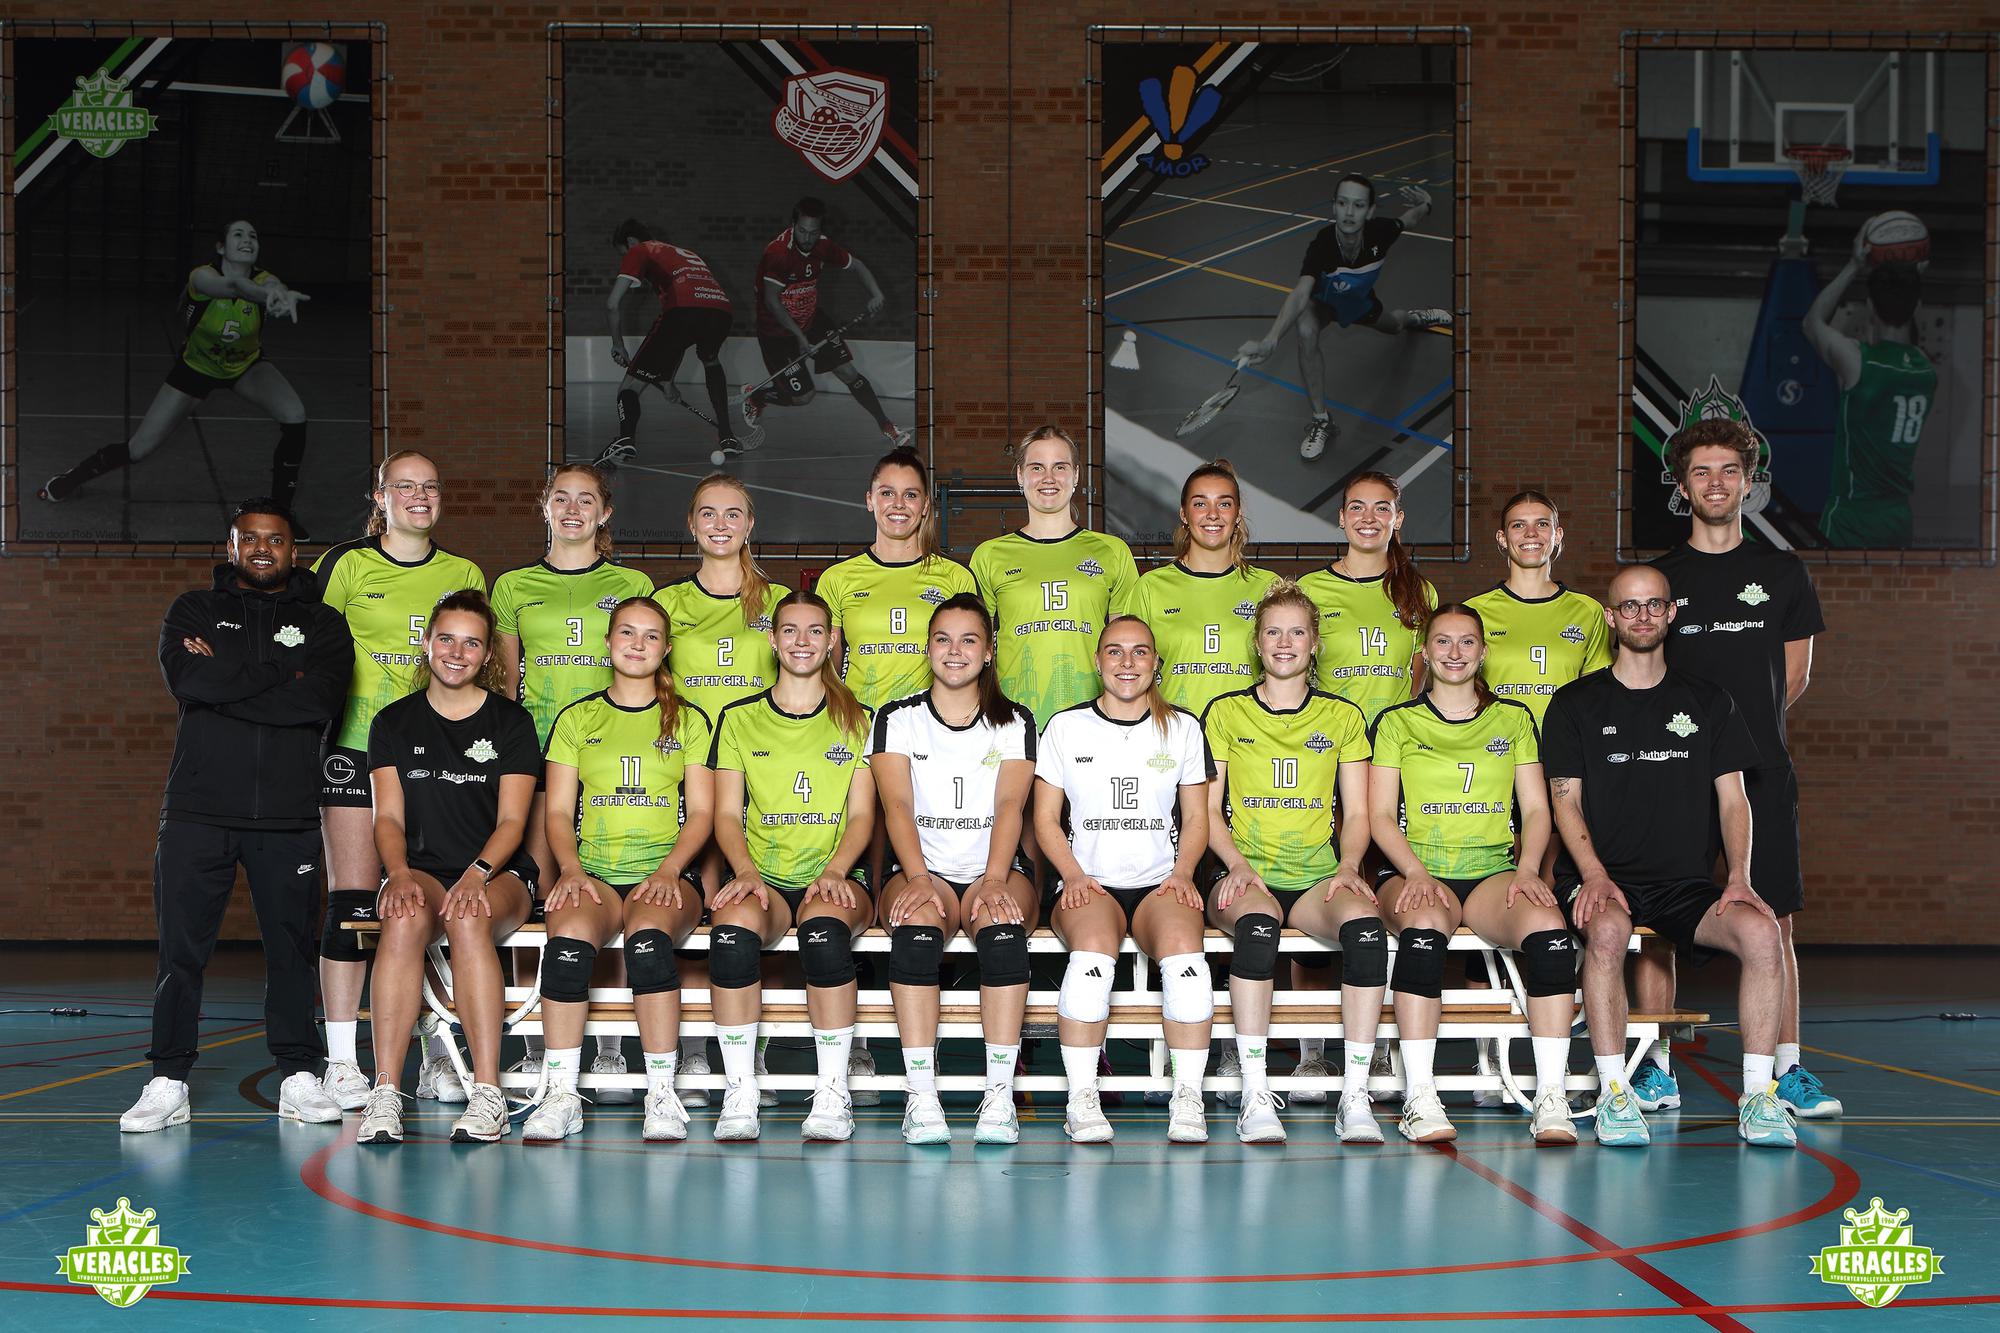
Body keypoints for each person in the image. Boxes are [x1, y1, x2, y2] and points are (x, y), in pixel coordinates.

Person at [120, 499, 354, 1133]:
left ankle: (299, 1074)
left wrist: (228, 678)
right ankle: (168, 1079)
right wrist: (282, 671)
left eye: (274, 539)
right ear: (231, 547)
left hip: (288, 814)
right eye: (248, 538)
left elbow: (316, 703)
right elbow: (191, 684)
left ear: (293, 550)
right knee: (180, 951)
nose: (261, 548)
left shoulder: (324, 623)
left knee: (291, 950)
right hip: (198, 811)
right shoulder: (193, 610)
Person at [1543, 565, 1795, 1148]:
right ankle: (1614, 1095)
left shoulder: (1708, 701)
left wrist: (1739, 878)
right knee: (1608, 932)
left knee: (1762, 935)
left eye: (1654, 604)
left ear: (1671, 612)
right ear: (1611, 617)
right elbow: (1564, 802)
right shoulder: (1575, 703)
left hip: (1684, 884)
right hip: (1604, 877)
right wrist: (1593, 875)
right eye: (1629, 607)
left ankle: (1758, 1097)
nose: (1643, 616)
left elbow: (1733, 801)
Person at [1652, 417, 1836, 1119]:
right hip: (1674, 778)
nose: (1716, 483)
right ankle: (1652, 1068)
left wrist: (1733, 744)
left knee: (1775, 921)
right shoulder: (1661, 579)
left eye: (1729, 470)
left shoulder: (1782, 572)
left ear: (1749, 482)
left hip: (1760, 777)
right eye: (1701, 471)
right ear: (1682, 484)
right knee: (1657, 923)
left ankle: (1788, 1071)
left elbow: (1793, 678)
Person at [312, 452, 486, 1113]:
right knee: (354, 903)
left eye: (430, 486)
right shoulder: (345, 565)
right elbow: (310, 653)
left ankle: (437, 1054)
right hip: (358, 748)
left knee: (431, 901)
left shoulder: (463, 573)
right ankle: (341, 1062)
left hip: (436, 757)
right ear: (379, 496)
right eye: (405, 485)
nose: (419, 495)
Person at [1369, 605, 1578, 1146]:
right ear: (1425, 651)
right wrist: (1415, 871)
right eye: (1443, 641)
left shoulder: (1513, 719)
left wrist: (1528, 869)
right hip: (1415, 869)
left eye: (1467, 642)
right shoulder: (1397, 722)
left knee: (1552, 937)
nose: (1455, 652)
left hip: (1491, 872)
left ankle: (1551, 1096)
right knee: (1422, 933)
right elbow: (1379, 815)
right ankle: (1420, 1096)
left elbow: (1537, 809)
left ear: (1483, 652)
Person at [521, 596, 714, 1142]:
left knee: (648, 943)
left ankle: (661, 1093)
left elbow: (702, 813)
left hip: (665, 873)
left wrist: (671, 869)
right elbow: (557, 812)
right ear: (607, 643)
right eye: (626, 632)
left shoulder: (689, 719)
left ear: (666, 648)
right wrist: (570, 869)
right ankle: (561, 1094)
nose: (637, 644)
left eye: (651, 635)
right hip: (595, 874)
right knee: (566, 948)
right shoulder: (577, 718)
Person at [353, 591, 541, 1144]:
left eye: (471, 643)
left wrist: (477, 874)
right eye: (446, 639)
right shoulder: (393, 722)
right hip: (423, 870)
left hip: (498, 873)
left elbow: (513, 822)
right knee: (403, 917)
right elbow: (388, 817)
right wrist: (398, 873)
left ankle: (488, 1093)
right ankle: (386, 1090)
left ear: (488, 655)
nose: (457, 653)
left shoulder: (512, 722)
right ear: (427, 643)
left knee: (468, 916)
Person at [491, 464, 652, 1087]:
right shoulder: (513, 586)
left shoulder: (632, 583)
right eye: (561, 497)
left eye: (587, 500)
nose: (573, 509)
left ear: (605, 512)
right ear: (545, 505)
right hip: (539, 759)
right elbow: (505, 686)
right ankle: (536, 1043)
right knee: (539, 894)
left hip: (612, 757)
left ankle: (610, 1047)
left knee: (606, 892)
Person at [1202, 582, 1379, 1145]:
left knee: (1367, 931)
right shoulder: (1226, 711)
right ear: (1256, 642)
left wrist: (1349, 865)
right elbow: (1206, 810)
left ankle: (1355, 1095)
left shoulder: (1342, 716)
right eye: (1273, 632)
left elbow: (1357, 813)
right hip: (1246, 871)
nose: (1285, 642)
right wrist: (1235, 864)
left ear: (1315, 643)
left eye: (1297, 632)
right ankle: (1255, 1092)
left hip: (1316, 877)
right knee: (1258, 928)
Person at [1034, 616, 1213, 1144]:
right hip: (1089, 880)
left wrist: (1183, 872)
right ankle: (1082, 1097)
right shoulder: (1065, 727)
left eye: (1140, 651)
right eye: (1114, 651)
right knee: (1091, 957)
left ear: (1156, 662)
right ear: (1097, 662)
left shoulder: (1183, 727)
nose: (1127, 662)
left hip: (1160, 880)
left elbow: (1196, 817)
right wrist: (1071, 875)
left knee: (1186, 962)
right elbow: (1044, 819)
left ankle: (1188, 1096)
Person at [707, 590, 877, 1142]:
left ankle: (832, 1091)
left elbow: (862, 815)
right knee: (731, 936)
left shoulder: (858, 718)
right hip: (764, 877)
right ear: (773, 639)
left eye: (815, 631)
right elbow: (726, 814)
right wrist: (744, 871)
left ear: (831, 641)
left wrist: (836, 869)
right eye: (790, 630)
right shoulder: (739, 718)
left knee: (823, 936)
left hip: (833, 874)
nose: (802, 642)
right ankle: (740, 1090)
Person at [870, 595, 1041, 1145]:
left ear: (989, 652)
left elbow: (1011, 805)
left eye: (969, 640)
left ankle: (999, 1096)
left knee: (1003, 933)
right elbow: (897, 805)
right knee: (916, 933)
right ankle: (922, 1096)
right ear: (927, 648)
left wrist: (993, 879)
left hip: (996, 866)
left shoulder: (1015, 720)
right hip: (923, 868)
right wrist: (920, 877)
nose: (955, 651)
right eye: (943, 639)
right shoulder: (897, 717)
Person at [1462, 489, 1611, 1102]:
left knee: (1564, 914)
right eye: (1518, 525)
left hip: (1568, 784)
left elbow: (1604, 702)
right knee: (1488, 915)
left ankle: (1567, 1057)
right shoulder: (1475, 612)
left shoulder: (1587, 614)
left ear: (1557, 535)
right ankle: (1484, 1060)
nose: (1530, 534)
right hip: (1495, 782)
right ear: (1501, 538)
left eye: (1541, 524)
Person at [1293, 469, 1437, 1093]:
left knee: (1389, 901)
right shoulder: (1310, 589)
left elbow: (1424, 683)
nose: (1369, 518)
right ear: (1341, 518)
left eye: (1383, 508)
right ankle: (1311, 1052)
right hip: (1326, 765)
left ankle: (1374, 1047)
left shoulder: (1419, 591)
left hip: (1397, 769)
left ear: (1398, 518)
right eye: (1357, 507)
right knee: (1322, 894)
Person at [652, 473, 792, 1103]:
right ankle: (691, 1055)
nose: (720, 524)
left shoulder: (778, 601)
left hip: (757, 773)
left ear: (750, 524)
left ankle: (750, 1055)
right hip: (685, 773)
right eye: (708, 513)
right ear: (691, 524)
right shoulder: (667, 602)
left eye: (733, 513)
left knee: (754, 908)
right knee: (691, 910)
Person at [40, 220, 313, 528]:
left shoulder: (265, 280)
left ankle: (281, 512)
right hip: (195, 369)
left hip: (245, 366)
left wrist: (279, 294)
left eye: (253, 235)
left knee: (295, 415)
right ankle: (71, 478)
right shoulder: (202, 276)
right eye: (238, 234)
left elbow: (273, 286)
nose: (247, 239)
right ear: (221, 247)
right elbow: (234, 287)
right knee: (138, 449)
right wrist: (266, 296)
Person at [1234, 176, 1451, 459]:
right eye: (1342, 203)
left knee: (1396, 325)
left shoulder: (1381, 232)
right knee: (1306, 331)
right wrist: (1270, 340)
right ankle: (1321, 419)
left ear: (1370, 211)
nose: (1349, 212)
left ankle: (1415, 317)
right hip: (1322, 305)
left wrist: (1427, 204)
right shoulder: (1322, 244)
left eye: (1358, 205)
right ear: (1333, 207)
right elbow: (1301, 293)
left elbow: (1408, 220)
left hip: (1356, 303)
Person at [969, 425, 1140, 732]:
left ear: (1076, 475)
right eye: (1037, 467)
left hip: (1095, 721)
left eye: (1059, 467)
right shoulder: (989, 555)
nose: (1048, 478)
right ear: (1020, 475)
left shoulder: (1112, 552)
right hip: (1013, 723)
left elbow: (1127, 647)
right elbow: (975, 647)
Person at [1803, 231, 1937, 548]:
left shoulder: (1859, 362)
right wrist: (1909, 280)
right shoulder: (1926, 371)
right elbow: (1907, 339)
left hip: (1852, 517)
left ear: (1869, 307)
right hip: (1898, 520)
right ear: (1917, 306)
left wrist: (1854, 265)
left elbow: (1811, 323)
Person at [743, 197, 910, 447]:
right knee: (803, 397)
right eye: (802, 231)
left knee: (848, 372)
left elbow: (858, 266)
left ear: (820, 229)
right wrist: (800, 338)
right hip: (778, 332)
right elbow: (772, 303)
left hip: (813, 320)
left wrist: (876, 294)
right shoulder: (778, 254)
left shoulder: (823, 245)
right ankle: (757, 396)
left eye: (814, 232)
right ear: (792, 225)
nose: (807, 238)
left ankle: (887, 426)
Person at [1127, 459, 1280, 719]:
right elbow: (1129, 672)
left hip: (1248, 735)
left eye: (1224, 504)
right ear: (1183, 514)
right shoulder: (1151, 587)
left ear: (1238, 514)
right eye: (1200, 504)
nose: (1213, 514)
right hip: (1173, 735)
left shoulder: (1268, 587)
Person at [596, 220, 741, 467]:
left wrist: (617, 344)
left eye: (623, 253)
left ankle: (625, 439)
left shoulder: (639, 249)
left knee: (628, 388)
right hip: (721, 312)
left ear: (630, 242)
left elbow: (612, 304)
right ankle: (727, 436)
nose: (625, 258)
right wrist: (667, 381)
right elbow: (677, 342)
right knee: (710, 359)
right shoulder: (684, 253)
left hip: (683, 311)